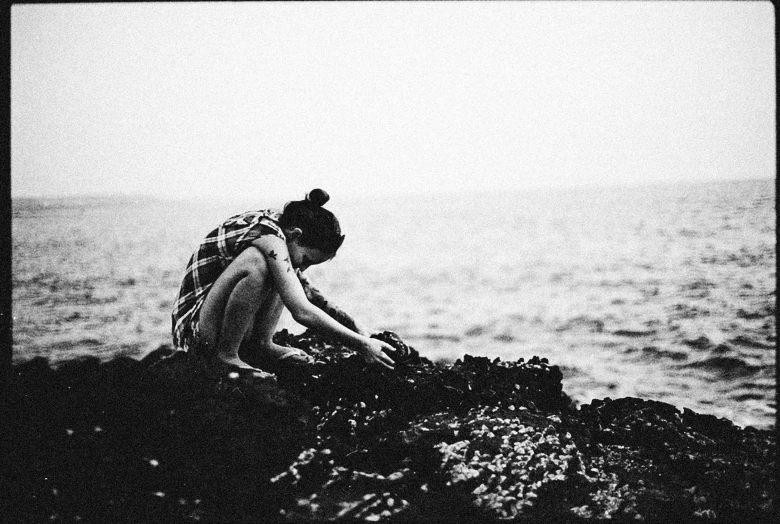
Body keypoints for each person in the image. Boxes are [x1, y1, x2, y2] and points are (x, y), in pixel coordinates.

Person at [171, 189, 395, 375]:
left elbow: (309, 294)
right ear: (296, 234)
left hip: (214, 324)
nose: (303, 267)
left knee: (286, 276)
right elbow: (301, 311)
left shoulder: (283, 232)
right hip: (198, 333)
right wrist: (361, 345)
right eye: (306, 259)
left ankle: (261, 345)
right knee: (256, 263)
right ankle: (226, 355)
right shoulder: (268, 237)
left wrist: (356, 328)